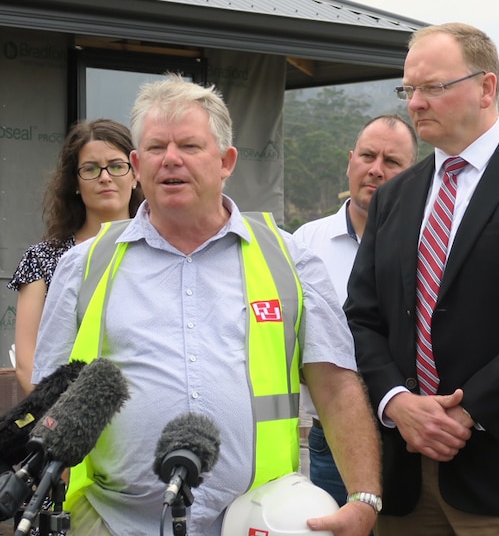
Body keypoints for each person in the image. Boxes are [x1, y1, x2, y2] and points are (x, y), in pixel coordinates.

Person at [32, 74, 381, 536]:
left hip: (256, 521)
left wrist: (364, 497)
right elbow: (48, 397)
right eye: (156, 148)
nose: (171, 159)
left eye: (190, 146)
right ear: (137, 164)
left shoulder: (289, 259)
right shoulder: (85, 265)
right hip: (113, 522)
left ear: (226, 161)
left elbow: (336, 386)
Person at [344, 22, 499, 536]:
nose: (415, 103)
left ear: (487, 88)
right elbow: (363, 315)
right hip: (405, 476)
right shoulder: (396, 197)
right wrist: (397, 401)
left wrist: (469, 413)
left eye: (433, 87)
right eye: (408, 89)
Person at [294, 114, 418, 506]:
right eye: (367, 156)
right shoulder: (304, 244)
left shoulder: (428, 246)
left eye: (393, 162)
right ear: (350, 161)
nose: (376, 170)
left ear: (413, 172)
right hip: (330, 436)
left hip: (407, 434)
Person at [8, 118, 143, 394]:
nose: (105, 177)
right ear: (75, 183)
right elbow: (28, 365)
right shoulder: (43, 258)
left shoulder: (162, 249)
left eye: (117, 166)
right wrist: (62, 422)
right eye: (91, 169)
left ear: (135, 174)